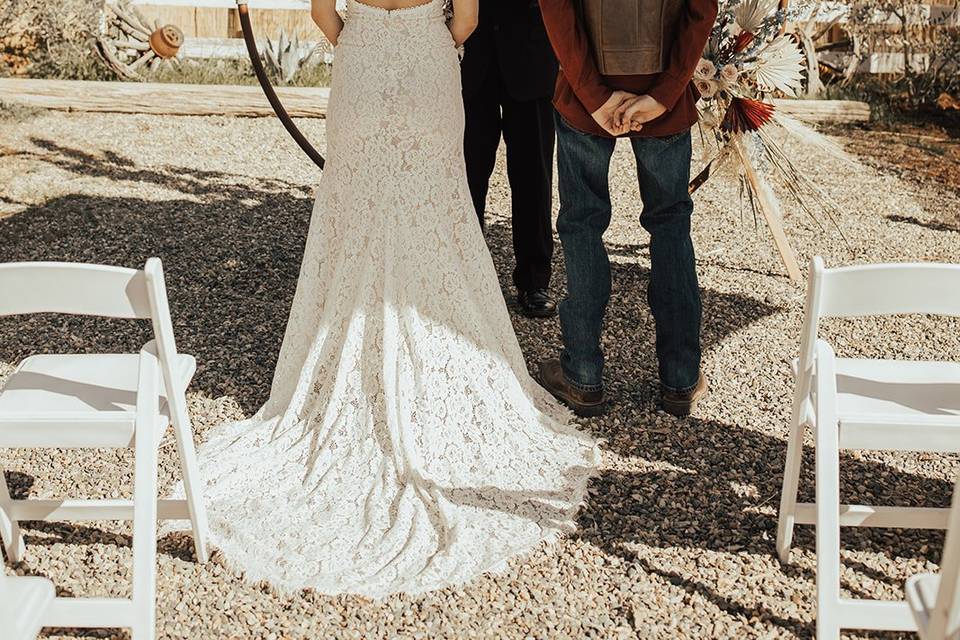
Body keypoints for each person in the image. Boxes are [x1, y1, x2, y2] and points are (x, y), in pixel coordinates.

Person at [176, 0, 598, 599]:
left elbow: (324, 15)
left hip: (364, 66)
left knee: (353, 219)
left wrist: (371, 36)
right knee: (439, 214)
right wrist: (423, 35)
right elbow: (468, 21)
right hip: (428, 65)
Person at [537, 0, 718, 418]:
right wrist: (666, 91)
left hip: (587, 93)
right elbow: (701, 7)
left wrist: (593, 95)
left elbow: (556, 6)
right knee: (670, 224)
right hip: (661, 94)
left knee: (582, 222)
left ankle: (582, 375)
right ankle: (681, 377)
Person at [461, 0, 558, 318]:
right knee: (466, 175)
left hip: (532, 53)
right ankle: (463, 276)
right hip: (471, 58)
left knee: (534, 176)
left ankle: (534, 282)